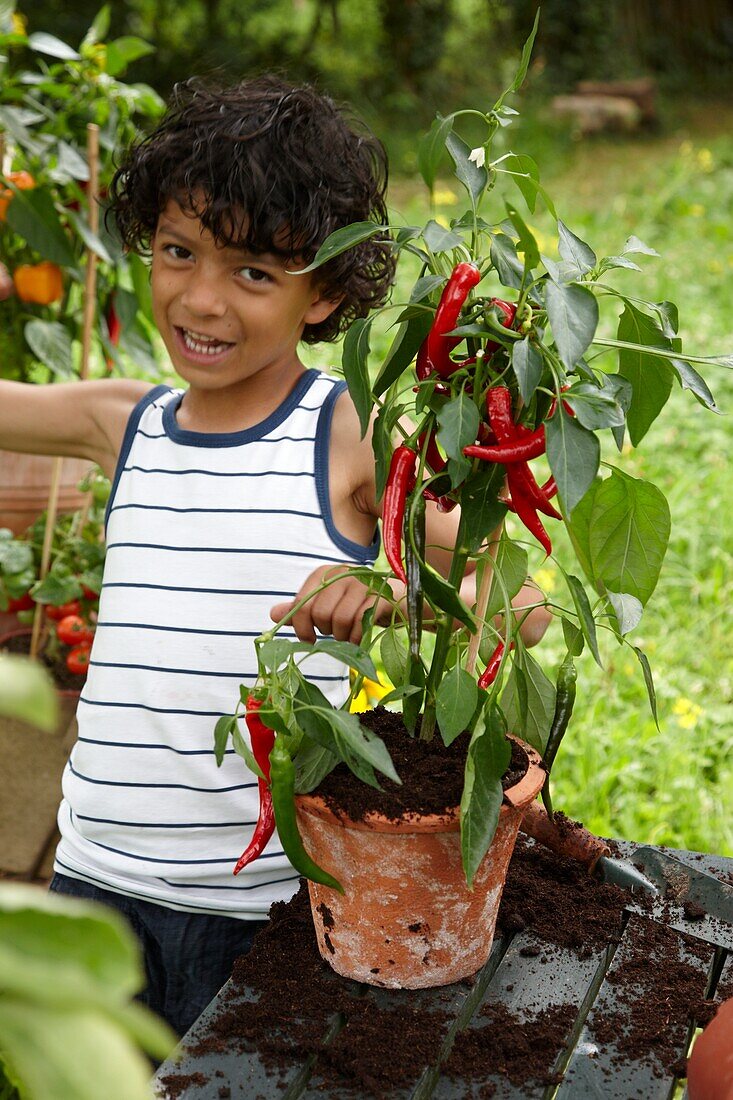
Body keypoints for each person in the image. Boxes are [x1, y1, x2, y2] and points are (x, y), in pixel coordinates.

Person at [0, 76, 549, 1035]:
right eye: (177, 252)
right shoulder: (122, 422)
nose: (200, 299)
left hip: (269, 903)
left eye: (253, 272)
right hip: (93, 882)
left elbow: (523, 601)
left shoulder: (343, 436)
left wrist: (379, 586)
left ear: (325, 289)